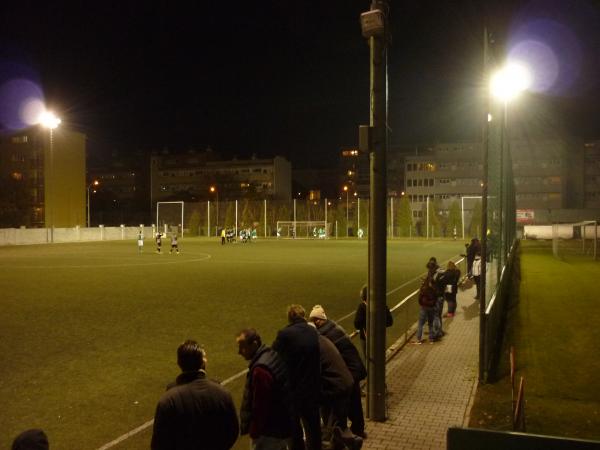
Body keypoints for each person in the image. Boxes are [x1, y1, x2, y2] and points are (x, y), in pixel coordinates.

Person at [151, 340, 239, 450]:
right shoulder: (222, 393)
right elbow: (232, 431)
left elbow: (159, 442)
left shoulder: (168, 400)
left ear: (179, 363)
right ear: (202, 363)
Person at [309, 305, 367, 440]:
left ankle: (343, 436)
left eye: (314, 319)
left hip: (349, 372)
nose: (314, 322)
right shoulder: (334, 327)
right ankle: (358, 430)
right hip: (354, 369)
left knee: (343, 406)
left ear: (319, 319)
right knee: (355, 404)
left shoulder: (325, 334)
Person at [272, 305, 322, 450]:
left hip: (294, 390)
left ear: (289, 317)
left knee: (294, 430)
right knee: (313, 427)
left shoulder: (285, 334)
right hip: (312, 387)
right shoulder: (313, 331)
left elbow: (274, 356)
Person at [236, 329, 292, 450]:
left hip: (269, 433)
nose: (239, 352)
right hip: (281, 425)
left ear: (254, 344)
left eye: (243, 347)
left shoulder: (260, 371)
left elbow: (260, 406)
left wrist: (254, 432)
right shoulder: (270, 355)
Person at [354, 284, 393, 362]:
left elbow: (357, 324)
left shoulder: (362, 307)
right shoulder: (382, 305)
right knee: (380, 360)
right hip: (380, 338)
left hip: (366, 339)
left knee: (369, 361)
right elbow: (390, 322)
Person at [413, 275, 438, 344]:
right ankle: (431, 339)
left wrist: (422, 304)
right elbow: (436, 298)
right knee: (430, 324)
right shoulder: (433, 289)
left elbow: (420, 299)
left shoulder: (423, 289)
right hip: (431, 308)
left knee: (420, 324)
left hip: (424, 308)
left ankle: (419, 339)